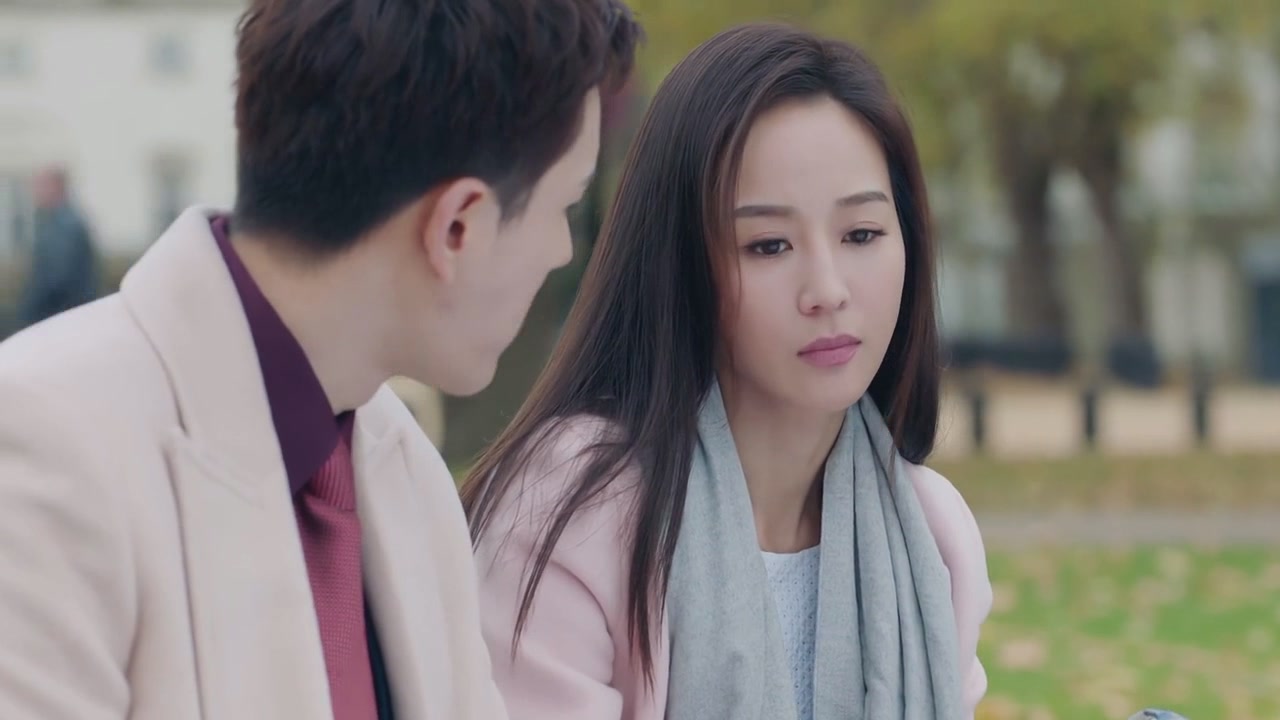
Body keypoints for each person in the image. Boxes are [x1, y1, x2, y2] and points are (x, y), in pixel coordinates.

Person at [0, 0, 639, 717]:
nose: (563, 252)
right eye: (564, 208)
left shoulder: (406, 471)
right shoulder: (45, 448)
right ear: (457, 226)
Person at [464, 23, 992, 720]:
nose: (827, 290)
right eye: (768, 245)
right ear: (682, 262)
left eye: (861, 234)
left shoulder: (929, 532)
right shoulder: (575, 509)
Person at [16, 166, 100, 328]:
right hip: (67, 315)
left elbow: (57, 278)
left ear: (57, 187)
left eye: (41, 185)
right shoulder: (57, 221)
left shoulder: (65, 226)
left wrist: (31, 310)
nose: (35, 192)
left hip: (59, 316)